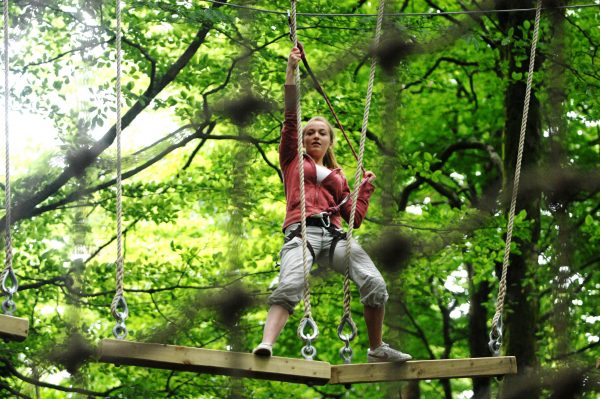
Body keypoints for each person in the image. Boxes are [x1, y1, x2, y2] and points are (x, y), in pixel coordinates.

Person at [252, 47, 412, 363]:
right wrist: (291, 71)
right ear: (302, 139)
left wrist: (364, 190)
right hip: (302, 234)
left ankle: (377, 347)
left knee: (375, 283)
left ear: (329, 140)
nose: (314, 136)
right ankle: (266, 344)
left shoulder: (339, 179)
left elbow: (354, 219)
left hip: (336, 238)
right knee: (291, 284)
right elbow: (290, 116)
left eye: (321, 133)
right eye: (309, 132)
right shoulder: (292, 161)